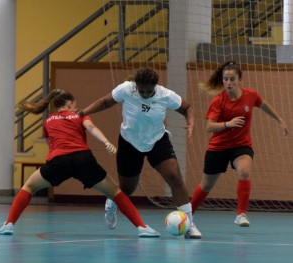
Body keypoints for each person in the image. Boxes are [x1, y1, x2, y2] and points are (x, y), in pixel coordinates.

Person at [0, 89, 160, 238]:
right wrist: (106, 142)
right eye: (74, 104)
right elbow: (91, 127)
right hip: (83, 159)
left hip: (58, 161)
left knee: (28, 187)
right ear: (69, 103)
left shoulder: (48, 121)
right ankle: (142, 227)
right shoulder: (80, 115)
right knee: (115, 192)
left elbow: (50, 142)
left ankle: (8, 224)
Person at [77, 67, 201, 239]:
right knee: (127, 188)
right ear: (136, 85)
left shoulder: (165, 95)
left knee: (175, 178)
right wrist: (84, 112)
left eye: (149, 91)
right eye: (141, 90)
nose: (145, 93)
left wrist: (191, 123)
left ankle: (189, 224)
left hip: (157, 141)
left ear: (155, 87)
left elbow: (187, 108)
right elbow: (105, 102)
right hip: (129, 143)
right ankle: (112, 203)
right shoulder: (126, 89)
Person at [190, 61, 289, 235]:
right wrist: (228, 124)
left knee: (244, 172)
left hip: (241, 145)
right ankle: (187, 214)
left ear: (239, 79)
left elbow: (263, 104)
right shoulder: (218, 101)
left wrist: (279, 120)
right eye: (225, 79)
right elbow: (209, 127)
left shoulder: (251, 95)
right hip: (218, 147)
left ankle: (241, 214)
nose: (228, 83)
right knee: (206, 185)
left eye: (232, 79)